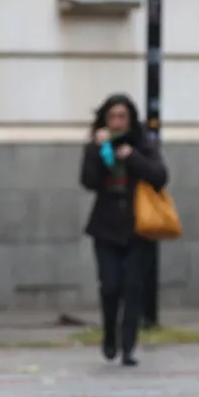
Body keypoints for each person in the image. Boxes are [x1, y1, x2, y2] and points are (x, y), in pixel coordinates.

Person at [79, 94, 169, 367]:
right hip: (106, 226)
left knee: (133, 288)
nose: (117, 122)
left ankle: (128, 345)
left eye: (122, 117)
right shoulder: (97, 144)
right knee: (110, 286)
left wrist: (133, 157)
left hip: (138, 227)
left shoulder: (143, 143)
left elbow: (160, 176)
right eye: (112, 117)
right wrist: (97, 150)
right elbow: (89, 181)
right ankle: (109, 334)